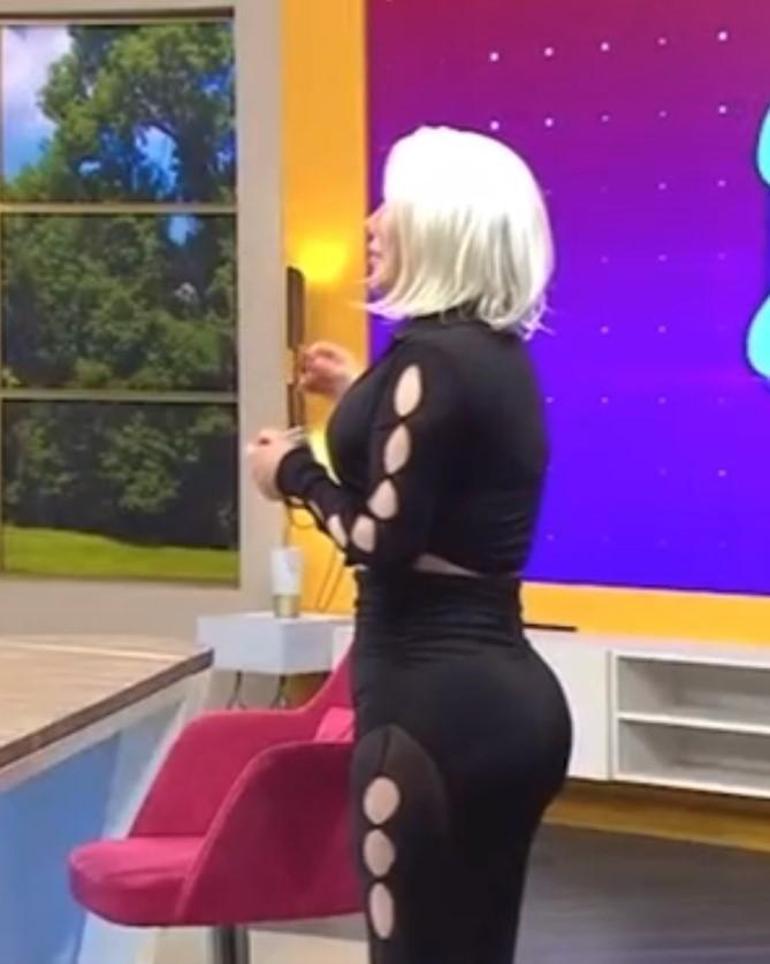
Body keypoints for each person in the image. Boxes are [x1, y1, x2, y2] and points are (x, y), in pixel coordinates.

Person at [248, 126, 572, 964]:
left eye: (391, 206)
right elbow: (439, 463)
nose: (372, 224)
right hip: (509, 707)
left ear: (441, 225)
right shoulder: (490, 357)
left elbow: (382, 543)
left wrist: (293, 474)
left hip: (431, 715)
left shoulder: (430, 365)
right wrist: (359, 393)